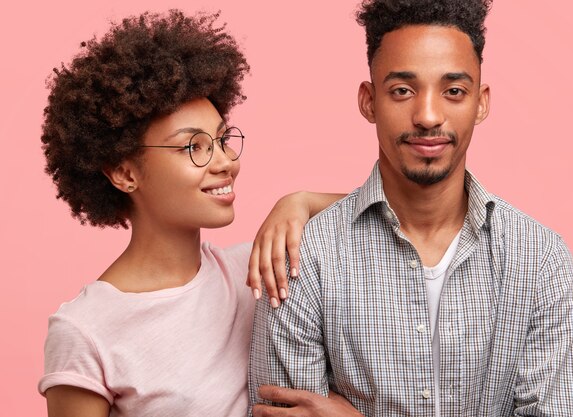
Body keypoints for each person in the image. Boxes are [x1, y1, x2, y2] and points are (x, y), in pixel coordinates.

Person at [248, 0, 573, 416]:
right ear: (369, 101)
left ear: (480, 103)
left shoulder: (540, 259)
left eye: (453, 91)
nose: (428, 116)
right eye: (402, 91)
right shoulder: (303, 257)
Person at [37, 10, 357, 417]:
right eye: (194, 147)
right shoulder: (85, 330)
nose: (225, 161)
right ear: (124, 172)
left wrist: (300, 201)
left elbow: (391, 212)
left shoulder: (257, 269)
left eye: (222, 139)